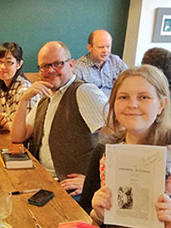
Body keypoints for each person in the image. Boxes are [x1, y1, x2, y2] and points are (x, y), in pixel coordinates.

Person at [11, 41, 107, 200]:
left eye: (57, 64)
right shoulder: (45, 97)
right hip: (42, 177)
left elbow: (117, 137)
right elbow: (17, 137)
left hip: (71, 188)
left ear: (71, 64)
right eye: (44, 66)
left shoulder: (83, 91)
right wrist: (24, 100)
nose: (51, 70)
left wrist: (94, 181)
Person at [82, 65, 171, 226]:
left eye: (143, 97)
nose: (132, 105)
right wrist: (97, 212)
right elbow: (86, 207)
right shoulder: (104, 150)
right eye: (123, 97)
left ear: (161, 105)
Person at [0, 42, 37, 131]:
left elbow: (22, 131)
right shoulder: (3, 87)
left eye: (9, 62)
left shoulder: (24, 90)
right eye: (0, 61)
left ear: (19, 64)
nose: (2, 67)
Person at [73, 29, 127, 97]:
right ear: (90, 48)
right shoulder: (79, 68)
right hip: (92, 104)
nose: (105, 50)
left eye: (108, 47)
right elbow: (75, 95)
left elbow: (130, 79)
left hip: (115, 103)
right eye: (101, 47)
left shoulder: (115, 61)